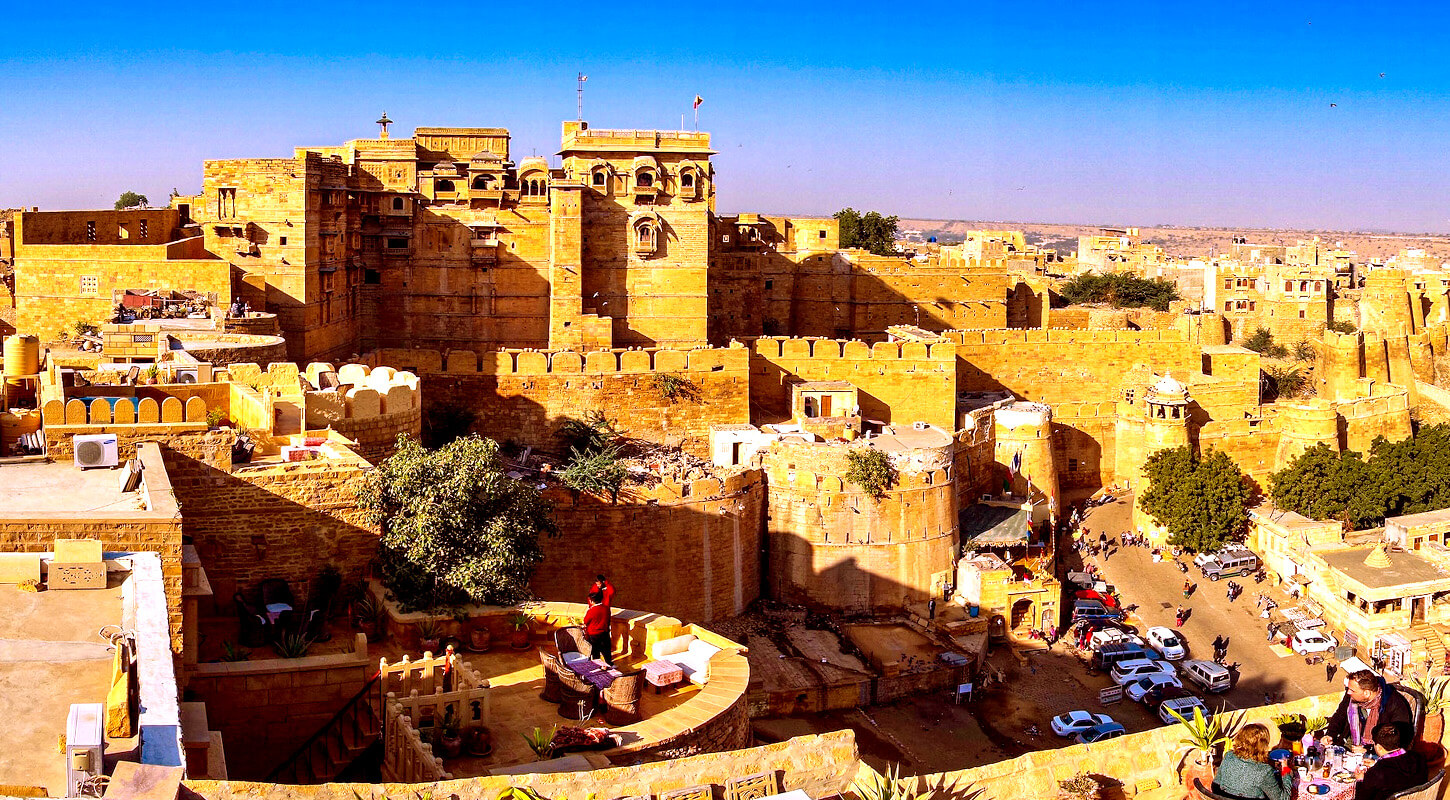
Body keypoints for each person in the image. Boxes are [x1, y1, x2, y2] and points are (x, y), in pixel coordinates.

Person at [1322, 670, 1415, 751]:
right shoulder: (1351, 697)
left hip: (1379, 752)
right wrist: (1330, 734)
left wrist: (1368, 749)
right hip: (1350, 745)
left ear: (1366, 693)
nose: (1348, 692)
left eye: (1352, 690)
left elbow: (1399, 738)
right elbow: (1340, 716)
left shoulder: (1395, 704)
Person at [1211, 723, 1290, 800]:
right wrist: (1285, 768)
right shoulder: (1264, 771)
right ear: (1263, 745)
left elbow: (1215, 785)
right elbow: (1283, 798)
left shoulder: (1229, 756)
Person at [1355, 722, 1428, 800]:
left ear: (1379, 747)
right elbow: (1398, 772)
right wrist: (1376, 764)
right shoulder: (1419, 758)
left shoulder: (1377, 773)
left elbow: (1361, 798)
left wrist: (1360, 780)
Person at [582, 590, 614, 666]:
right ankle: (609, 664)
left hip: (594, 634)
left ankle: (597, 666)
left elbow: (586, 621)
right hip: (604, 633)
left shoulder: (592, 610)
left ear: (592, 601)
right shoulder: (606, 608)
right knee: (606, 651)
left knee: (595, 652)